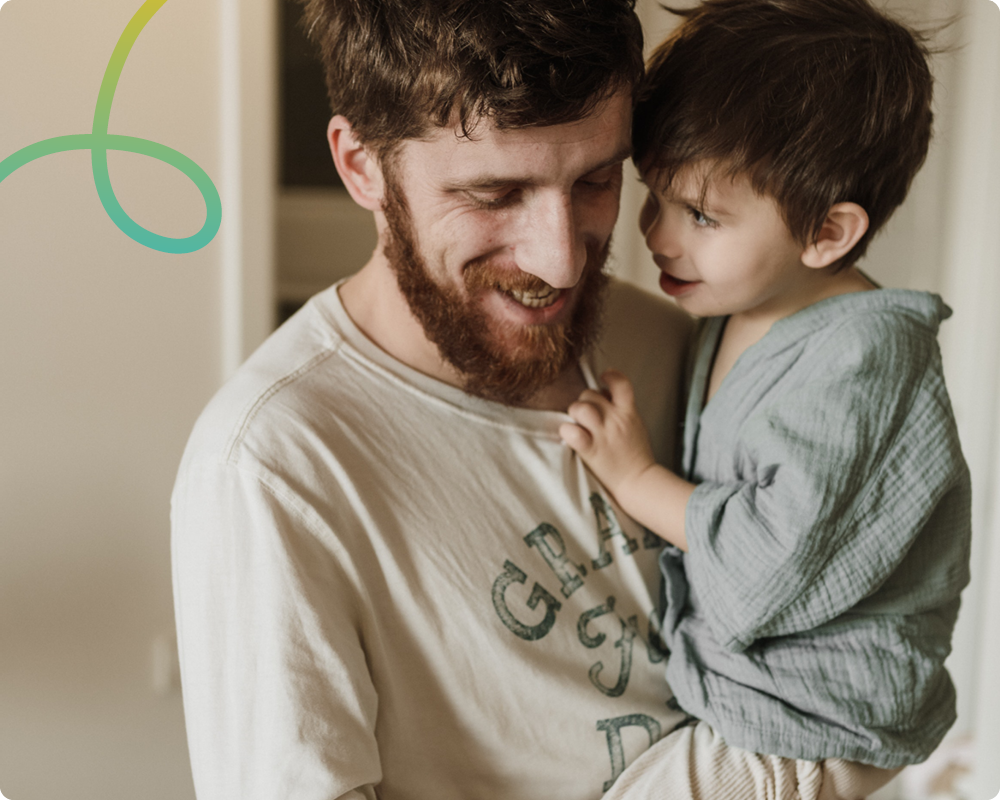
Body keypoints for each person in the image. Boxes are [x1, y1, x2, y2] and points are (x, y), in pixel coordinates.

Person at [171, 1, 693, 798]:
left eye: (594, 180)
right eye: (494, 194)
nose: (559, 261)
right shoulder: (273, 465)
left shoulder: (677, 348)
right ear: (361, 166)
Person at [560, 0, 972, 797]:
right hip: (765, 696)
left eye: (703, 215)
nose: (658, 235)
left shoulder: (860, 359)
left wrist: (637, 477)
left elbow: (763, 566)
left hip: (815, 721)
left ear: (827, 233)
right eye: (657, 195)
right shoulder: (744, 308)